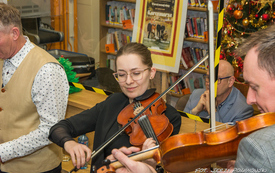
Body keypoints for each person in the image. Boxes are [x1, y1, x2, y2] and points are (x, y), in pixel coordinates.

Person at [111, 23, 275, 173]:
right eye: (208, 78)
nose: (250, 99)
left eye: (254, 87)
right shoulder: (197, 95)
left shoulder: (257, 146)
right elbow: (190, 127)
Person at [48, 42, 182, 170]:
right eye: (122, 75)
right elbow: (58, 128)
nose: (128, 81)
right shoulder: (113, 103)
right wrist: (69, 143)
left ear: (151, 72)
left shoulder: (169, 117)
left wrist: (151, 163)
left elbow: (166, 168)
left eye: (136, 73)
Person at [0, 3, 69, 173]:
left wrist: (2, 152)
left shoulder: (47, 70)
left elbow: (51, 129)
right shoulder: (3, 55)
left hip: (37, 169)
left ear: (14, 33)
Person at [184, 60, 254, 124]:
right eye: (208, 77)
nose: (209, 83)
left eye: (216, 79)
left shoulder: (243, 110)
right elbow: (183, 127)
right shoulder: (195, 95)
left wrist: (212, 112)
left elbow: (226, 136)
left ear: (230, 81)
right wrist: (195, 111)